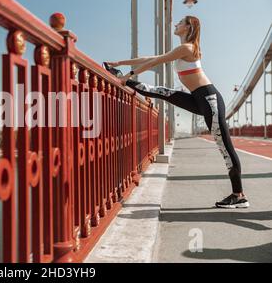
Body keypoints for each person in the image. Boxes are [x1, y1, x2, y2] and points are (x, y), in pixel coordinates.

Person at [103, 15, 249, 209]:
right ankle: (121, 77)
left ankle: (239, 195)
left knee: (225, 148)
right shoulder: (183, 48)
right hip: (199, 98)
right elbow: (152, 58)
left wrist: (129, 73)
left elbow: (157, 61)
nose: (176, 24)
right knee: (162, 92)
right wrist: (119, 64)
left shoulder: (187, 48)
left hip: (209, 99)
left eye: (180, 22)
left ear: (189, 27)